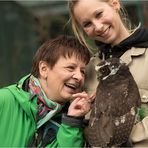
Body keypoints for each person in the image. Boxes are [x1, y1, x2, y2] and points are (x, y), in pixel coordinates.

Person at [68, 0, 148, 147]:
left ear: (115, 4)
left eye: (99, 14)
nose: (97, 27)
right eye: (87, 24)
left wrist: (121, 141)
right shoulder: (88, 70)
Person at [0, 35, 95, 147]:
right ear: (44, 69)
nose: (79, 77)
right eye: (70, 68)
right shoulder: (4, 100)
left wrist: (72, 121)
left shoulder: (71, 121)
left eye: (83, 71)